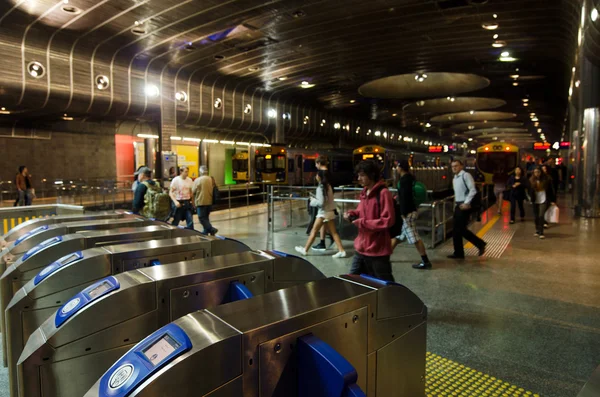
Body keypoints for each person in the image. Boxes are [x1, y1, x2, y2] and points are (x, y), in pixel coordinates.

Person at [344, 160, 395, 281]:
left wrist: (362, 222)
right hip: (361, 247)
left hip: (378, 250)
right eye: (358, 175)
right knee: (353, 279)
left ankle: (392, 299)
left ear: (371, 175)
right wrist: (352, 214)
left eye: (362, 175)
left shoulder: (383, 193)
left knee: (384, 283)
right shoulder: (364, 193)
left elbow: (388, 220)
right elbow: (361, 211)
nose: (359, 178)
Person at [391, 160, 433, 270]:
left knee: (414, 238)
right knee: (399, 236)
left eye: (397, 167)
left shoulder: (404, 180)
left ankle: (425, 261)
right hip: (411, 210)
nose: (396, 169)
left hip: (407, 213)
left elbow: (405, 198)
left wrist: (403, 213)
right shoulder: (410, 178)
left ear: (400, 168)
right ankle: (385, 257)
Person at [296, 170, 347, 258]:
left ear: (319, 177)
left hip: (323, 213)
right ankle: (341, 250)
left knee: (314, 231)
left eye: (317, 175)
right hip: (330, 212)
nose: (315, 176)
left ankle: (305, 250)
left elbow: (320, 203)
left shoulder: (320, 187)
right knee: (334, 232)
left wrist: (312, 201)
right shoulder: (329, 186)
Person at [449, 160, 487, 259]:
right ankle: (459, 253)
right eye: (452, 166)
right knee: (456, 230)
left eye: (456, 166)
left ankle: (480, 244)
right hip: (459, 205)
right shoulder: (454, 178)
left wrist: (466, 203)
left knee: (460, 229)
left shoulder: (465, 175)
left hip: (465, 205)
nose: (454, 168)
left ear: (461, 166)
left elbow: (473, 190)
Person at [311, 156, 335, 251]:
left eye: (316, 164)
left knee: (317, 226)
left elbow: (321, 187)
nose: (316, 166)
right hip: (329, 199)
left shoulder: (321, 173)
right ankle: (323, 241)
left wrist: (315, 199)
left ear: (319, 163)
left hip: (323, 202)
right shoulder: (329, 172)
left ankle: (322, 242)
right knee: (325, 223)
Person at [529, 167, 556, 239]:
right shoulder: (531, 180)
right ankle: (537, 230)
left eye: (538, 172)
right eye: (535, 172)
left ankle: (541, 232)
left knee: (541, 215)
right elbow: (529, 190)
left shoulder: (546, 180)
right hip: (535, 200)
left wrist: (553, 200)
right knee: (536, 216)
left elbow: (551, 190)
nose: (537, 174)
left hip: (544, 199)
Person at [192, 165, 218, 236]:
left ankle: (212, 229)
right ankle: (206, 232)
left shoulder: (198, 180)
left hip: (201, 202)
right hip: (209, 202)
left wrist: (193, 202)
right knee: (206, 217)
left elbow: (193, 191)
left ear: (200, 171)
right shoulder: (211, 179)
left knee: (202, 218)